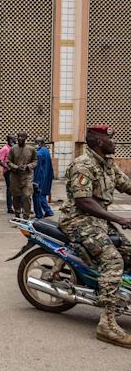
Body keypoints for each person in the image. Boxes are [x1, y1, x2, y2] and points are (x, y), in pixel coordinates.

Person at [58, 125, 131, 348]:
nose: (114, 143)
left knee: (128, 252)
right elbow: (84, 201)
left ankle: (120, 296)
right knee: (113, 260)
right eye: (111, 139)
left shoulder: (107, 163)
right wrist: (119, 219)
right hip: (78, 220)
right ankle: (107, 324)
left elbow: (126, 185)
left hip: (98, 221)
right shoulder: (83, 165)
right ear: (99, 142)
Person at [8, 131, 37, 219]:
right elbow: (8, 161)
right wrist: (16, 167)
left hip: (27, 176)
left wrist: (28, 166)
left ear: (25, 138)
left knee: (27, 196)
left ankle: (26, 217)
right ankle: (17, 215)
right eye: (18, 137)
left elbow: (35, 161)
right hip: (15, 176)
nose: (20, 139)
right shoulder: (13, 149)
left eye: (22, 137)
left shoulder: (31, 149)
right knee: (16, 196)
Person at [32, 137, 54, 219]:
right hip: (47, 175)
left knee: (38, 195)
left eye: (36, 143)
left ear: (39, 143)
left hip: (40, 176)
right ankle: (48, 211)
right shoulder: (46, 150)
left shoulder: (39, 153)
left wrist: (35, 180)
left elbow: (38, 167)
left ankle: (40, 214)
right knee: (42, 194)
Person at [0, 134, 17, 214]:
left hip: (14, 170)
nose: (15, 140)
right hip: (8, 171)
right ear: (10, 140)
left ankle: (17, 206)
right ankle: (9, 207)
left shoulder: (14, 148)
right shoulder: (5, 149)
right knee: (10, 189)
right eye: (14, 139)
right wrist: (6, 167)